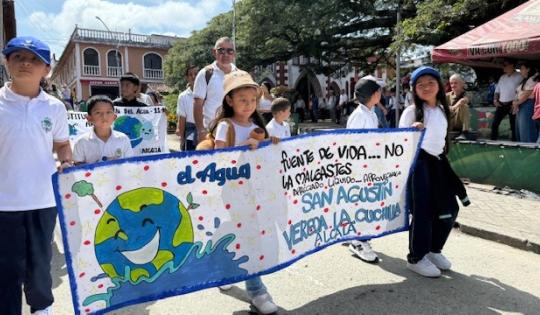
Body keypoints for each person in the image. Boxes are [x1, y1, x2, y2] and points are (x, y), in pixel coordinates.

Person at [0, 36, 73, 315]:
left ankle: (42, 309)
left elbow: (62, 144)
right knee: (6, 268)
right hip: (4, 204)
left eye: (34, 59)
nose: (25, 63)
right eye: (18, 57)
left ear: (46, 70)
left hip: (43, 200)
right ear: (7, 62)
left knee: (40, 264)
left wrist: (66, 161)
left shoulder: (54, 107)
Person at [211, 70, 279, 314]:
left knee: (247, 237)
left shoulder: (257, 127)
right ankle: (257, 292)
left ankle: (228, 272)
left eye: (252, 100)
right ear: (229, 100)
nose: (249, 105)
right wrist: (243, 148)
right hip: (232, 194)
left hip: (257, 194)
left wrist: (270, 147)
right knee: (251, 240)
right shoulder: (224, 127)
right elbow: (217, 161)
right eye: (243, 100)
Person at [399, 66, 470, 278]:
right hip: (419, 165)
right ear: (414, 90)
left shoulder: (441, 109)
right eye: (420, 84)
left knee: (450, 208)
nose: (426, 87)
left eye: (430, 82)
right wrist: (412, 131)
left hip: (439, 164)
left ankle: (433, 249)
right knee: (423, 212)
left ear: (439, 85)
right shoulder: (411, 112)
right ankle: (416, 257)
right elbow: (399, 144)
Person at [345, 76, 384, 263]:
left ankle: (356, 236)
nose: (381, 94)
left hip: (371, 167)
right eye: (379, 90)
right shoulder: (358, 116)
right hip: (360, 169)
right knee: (363, 204)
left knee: (368, 204)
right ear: (373, 94)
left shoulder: (372, 113)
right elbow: (351, 144)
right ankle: (360, 241)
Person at [193, 37, 238, 144]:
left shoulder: (240, 74)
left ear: (234, 54)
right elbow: (197, 104)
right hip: (211, 134)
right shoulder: (205, 74)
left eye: (229, 51)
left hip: (236, 133)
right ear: (214, 52)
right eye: (221, 50)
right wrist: (200, 130)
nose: (225, 54)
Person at [73, 95, 133, 164]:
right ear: (89, 118)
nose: (104, 117)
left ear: (114, 117)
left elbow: (130, 165)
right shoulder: (81, 142)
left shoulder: (123, 139)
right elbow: (77, 168)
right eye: (98, 113)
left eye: (108, 112)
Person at [491, 60, 522, 141]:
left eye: (505, 64)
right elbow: (497, 90)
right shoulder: (502, 77)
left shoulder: (519, 76)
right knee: (495, 123)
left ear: (512, 65)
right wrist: (495, 99)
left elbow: (521, 91)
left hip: (512, 103)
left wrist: (516, 102)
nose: (503, 67)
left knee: (513, 125)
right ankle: (493, 141)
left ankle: (515, 143)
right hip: (501, 104)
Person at [512, 62, 538, 143]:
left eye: (522, 69)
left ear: (528, 69)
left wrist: (517, 103)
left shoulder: (533, 78)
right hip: (520, 105)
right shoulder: (524, 80)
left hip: (527, 104)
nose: (520, 71)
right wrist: (515, 103)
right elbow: (518, 93)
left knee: (526, 129)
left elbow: (528, 93)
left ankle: (530, 148)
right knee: (520, 129)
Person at [176, 65, 199, 151]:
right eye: (190, 74)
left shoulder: (208, 92)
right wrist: (182, 138)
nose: (193, 76)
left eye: (196, 74)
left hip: (206, 135)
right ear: (187, 77)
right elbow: (182, 118)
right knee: (191, 162)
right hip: (190, 136)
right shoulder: (183, 96)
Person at [445, 74, 472, 140]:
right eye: (451, 83)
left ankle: (465, 132)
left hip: (459, 122)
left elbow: (463, 100)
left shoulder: (468, 94)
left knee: (463, 106)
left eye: (455, 83)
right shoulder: (447, 96)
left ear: (462, 84)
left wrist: (453, 107)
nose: (453, 85)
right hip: (449, 122)